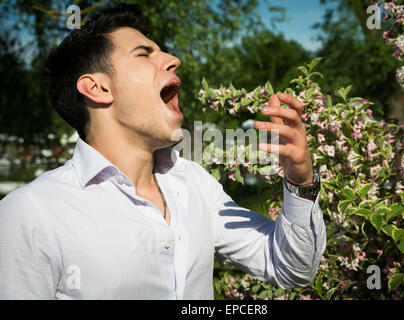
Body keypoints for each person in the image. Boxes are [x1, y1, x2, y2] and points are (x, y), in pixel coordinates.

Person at [0, 4, 326, 299]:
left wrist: (301, 181)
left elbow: (290, 269)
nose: (172, 59)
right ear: (98, 88)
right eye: (144, 53)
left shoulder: (195, 184)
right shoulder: (30, 213)